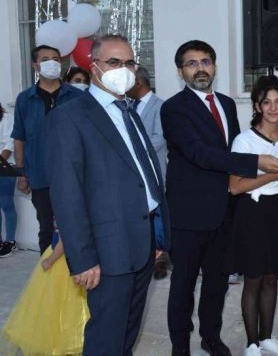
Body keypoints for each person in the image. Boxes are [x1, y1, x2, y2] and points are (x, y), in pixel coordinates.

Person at [44, 34, 169, 355]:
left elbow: (144, 176)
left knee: (127, 333)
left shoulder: (129, 111)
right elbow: (67, 195)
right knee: (106, 338)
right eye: (114, 62)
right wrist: (83, 258)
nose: (123, 69)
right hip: (106, 250)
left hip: (141, 243)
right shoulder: (69, 117)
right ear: (94, 65)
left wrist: (157, 235)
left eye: (129, 63)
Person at [161, 40, 278, 356]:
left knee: (217, 282)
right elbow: (198, 153)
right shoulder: (173, 108)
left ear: (214, 66)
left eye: (205, 61)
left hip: (225, 211)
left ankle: (211, 337)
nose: (200, 68)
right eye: (191, 63)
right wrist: (256, 162)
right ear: (180, 71)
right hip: (189, 213)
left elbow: (230, 151)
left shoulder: (227, 104)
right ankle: (180, 345)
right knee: (184, 284)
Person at [225, 75, 278, 356]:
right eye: (266, 102)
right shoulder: (243, 141)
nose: (273, 108)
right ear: (257, 106)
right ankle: (252, 343)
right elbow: (235, 186)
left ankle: (267, 337)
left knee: (271, 278)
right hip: (251, 212)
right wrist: (273, 175)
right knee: (253, 279)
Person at [11, 45, 82, 253]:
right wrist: (21, 174)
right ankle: (47, 268)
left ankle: (78, 268)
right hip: (40, 175)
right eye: (45, 59)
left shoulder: (77, 96)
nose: (52, 63)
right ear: (35, 65)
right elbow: (19, 138)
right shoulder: (25, 99)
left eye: (56, 59)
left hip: (73, 174)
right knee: (46, 228)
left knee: (76, 226)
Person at [1, 230, 89, 355]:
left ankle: (62, 342)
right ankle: (72, 340)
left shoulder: (66, 217)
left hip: (61, 262)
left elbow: (63, 242)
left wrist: (49, 260)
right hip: (74, 258)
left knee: (56, 303)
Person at [127, 65, 171, 280]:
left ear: (139, 83)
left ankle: (160, 256)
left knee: (157, 215)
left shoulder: (159, 106)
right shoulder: (127, 106)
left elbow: (159, 138)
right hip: (132, 174)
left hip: (154, 170)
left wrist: (130, 149)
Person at [0, 102, 17, 257]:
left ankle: (10, 242)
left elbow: (10, 143)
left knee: (7, 204)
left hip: (5, 167)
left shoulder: (8, 119)